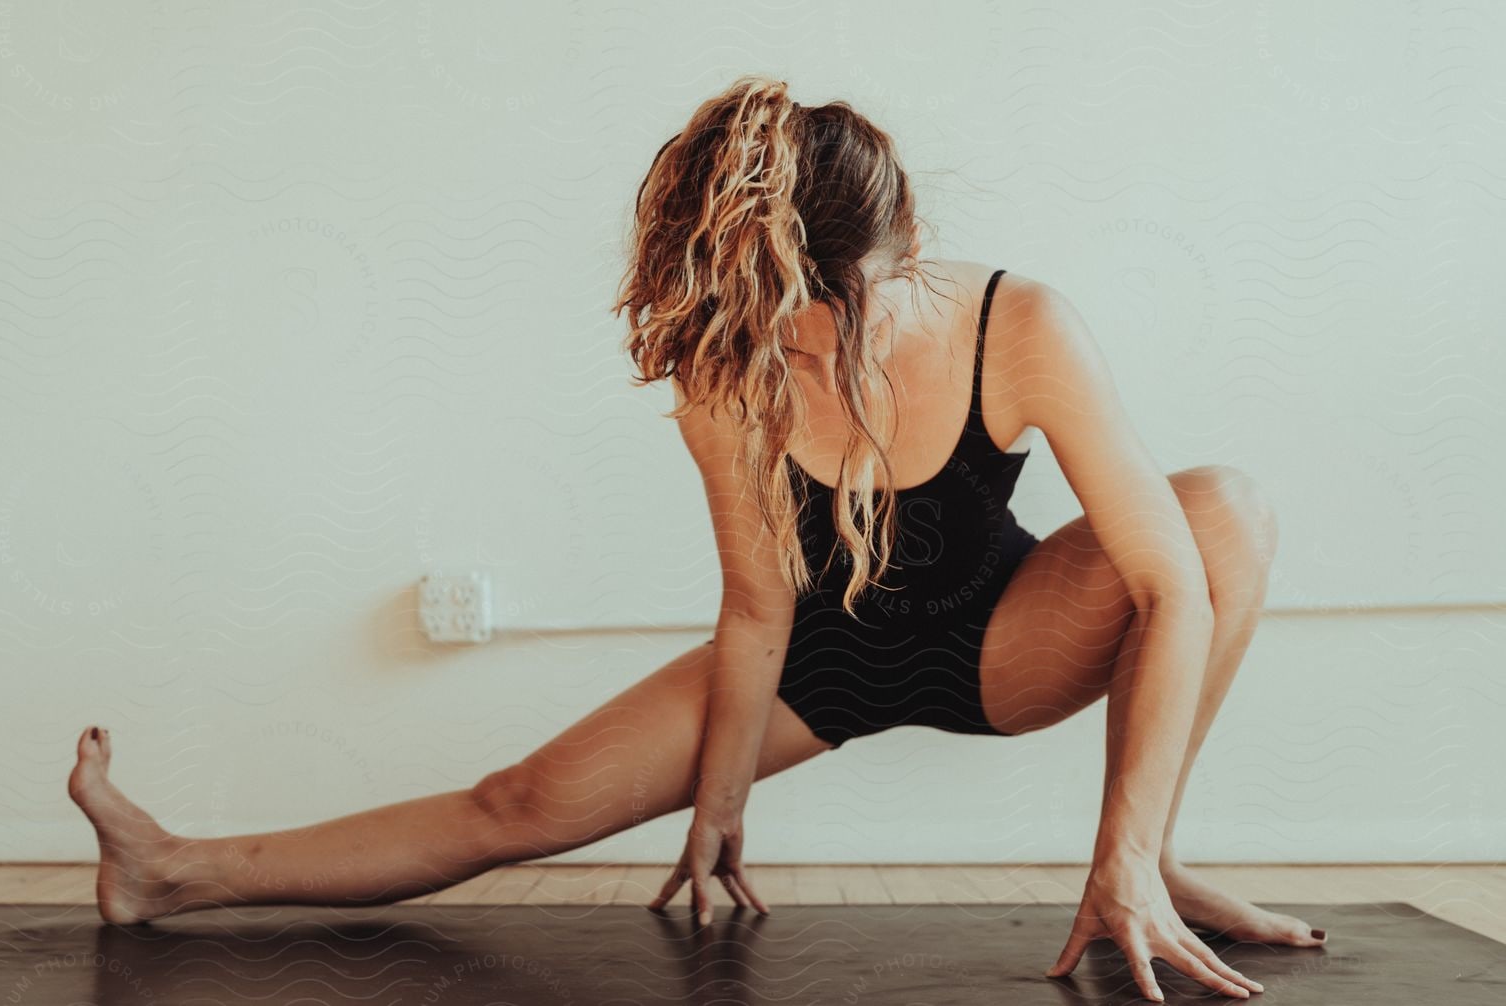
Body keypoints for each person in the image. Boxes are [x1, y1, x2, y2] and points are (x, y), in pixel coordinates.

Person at [68, 75, 1323, 1004]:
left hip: (1006, 639)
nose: (811, 354)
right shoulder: (730, 367)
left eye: (837, 319)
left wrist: (1124, 853)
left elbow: (1167, 584)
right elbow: (760, 609)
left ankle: (1150, 864)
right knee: (518, 800)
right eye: (784, 324)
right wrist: (718, 800)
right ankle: (174, 869)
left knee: (1224, 510)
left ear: (910, 253)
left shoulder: (1022, 324)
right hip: (818, 658)